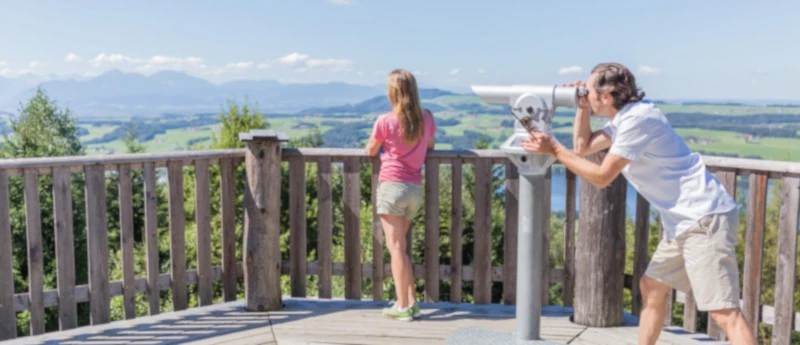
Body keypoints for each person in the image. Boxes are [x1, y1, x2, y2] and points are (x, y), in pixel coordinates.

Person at [520, 63, 757, 345]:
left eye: (589, 89)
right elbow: (583, 147)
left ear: (606, 97)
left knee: (724, 312)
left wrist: (555, 150)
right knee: (652, 286)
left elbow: (601, 177)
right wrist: (582, 107)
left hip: (704, 217)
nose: (584, 91)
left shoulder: (638, 121)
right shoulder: (626, 118)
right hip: (684, 220)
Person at [366, 69, 436, 321]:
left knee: (395, 249)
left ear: (392, 93)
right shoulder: (426, 118)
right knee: (401, 248)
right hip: (414, 189)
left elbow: (371, 151)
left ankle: (403, 307)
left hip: (392, 187)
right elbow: (430, 146)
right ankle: (412, 301)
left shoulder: (385, 120)